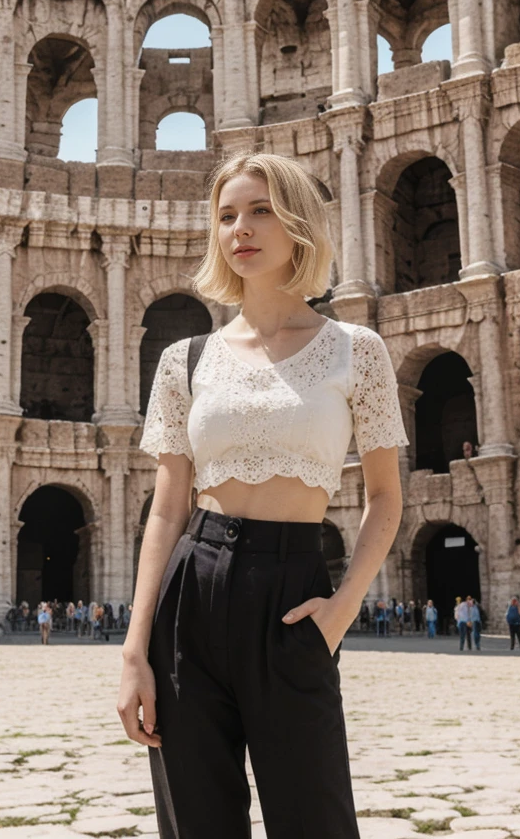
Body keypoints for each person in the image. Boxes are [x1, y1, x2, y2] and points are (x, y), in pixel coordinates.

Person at [118, 152, 409, 837]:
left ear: (300, 222)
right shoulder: (184, 359)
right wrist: (135, 650)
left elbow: (384, 497)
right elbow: (166, 509)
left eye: (259, 210)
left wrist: (340, 611)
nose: (239, 229)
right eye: (225, 216)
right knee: (198, 821)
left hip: (293, 591)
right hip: (192, 589)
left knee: (317, 820)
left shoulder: (354, 350)